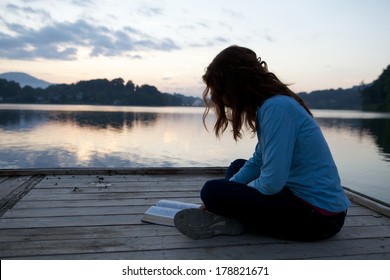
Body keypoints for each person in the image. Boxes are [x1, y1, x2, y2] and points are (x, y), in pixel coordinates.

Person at [174, 45, 350, 241]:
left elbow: (271, 183)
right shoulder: (272, 105)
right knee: (238, 166)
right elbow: (259, 160)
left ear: (233, 85)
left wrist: (224, 198)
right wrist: (230, 193)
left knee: (211, 191)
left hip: (319, 218)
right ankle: (232, 219)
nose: (220, 98)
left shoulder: (276, 108)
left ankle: (232, 219)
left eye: (219, 90)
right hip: (304, 203)